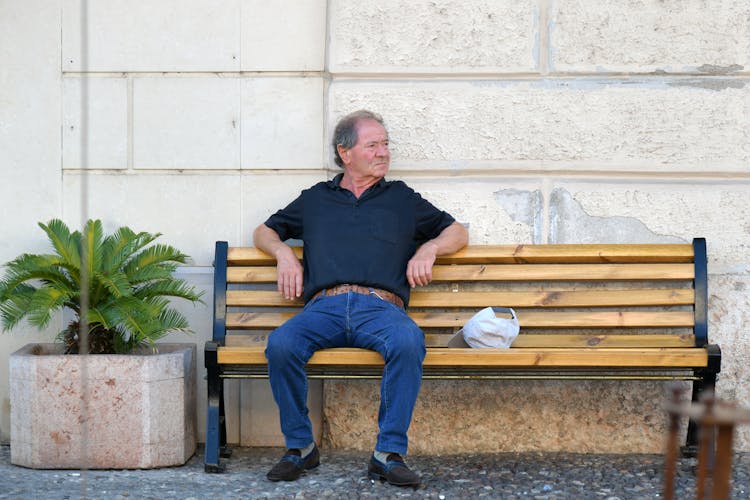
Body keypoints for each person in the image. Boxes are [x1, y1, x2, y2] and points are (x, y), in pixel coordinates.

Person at [253, 109, 468, 487]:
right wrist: (284, 253)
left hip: (381, 308)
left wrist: (430, 248)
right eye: (373, 145)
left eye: (386, 144)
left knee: (407, 340)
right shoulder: (317, 199)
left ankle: (387, 454)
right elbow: (265, 231)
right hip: (324, 307)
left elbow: (457, 232)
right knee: (281, 345)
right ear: (345, 152)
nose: (384, 152)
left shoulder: (401, 198)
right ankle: (301, 448)